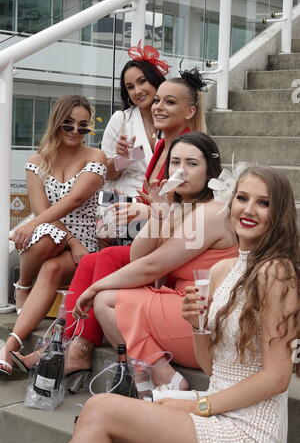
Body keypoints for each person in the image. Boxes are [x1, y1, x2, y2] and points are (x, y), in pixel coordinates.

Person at [66, 165, 300, 443]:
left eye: (263, 203)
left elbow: (277, 378)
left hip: (249, 427)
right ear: (230, 203)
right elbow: (210, 367)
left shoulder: (276, 273)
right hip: (215, 405)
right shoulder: (222, 270)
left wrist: (199, 405)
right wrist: (196, 326)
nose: (249, 209)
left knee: (100, 410)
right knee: (98, 421)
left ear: (280, 214)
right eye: (242, 198)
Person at [11, 70, 210, 380]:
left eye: (168, 101)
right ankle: (65, 342)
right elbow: (124, 177)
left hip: (180, 254)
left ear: (190, 111)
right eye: (157, 100)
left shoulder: (189, 151)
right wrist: (139, 208)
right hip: (155, 240)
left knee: (100, 258)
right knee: (93, 259)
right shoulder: (160, 147)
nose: (157, 106)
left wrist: (146, 213)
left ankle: (80, 347)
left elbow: (196, 215)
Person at [65, 132, 237, 390]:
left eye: (192, 164)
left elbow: (153, 266)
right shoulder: (182, 207)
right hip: (187, 310)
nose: (181, 171)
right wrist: (158, 215)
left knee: (105, 301)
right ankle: (163, 376)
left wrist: (95, 287)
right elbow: (138, 256)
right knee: (110, 294)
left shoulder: (212, 212)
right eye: (176, 162)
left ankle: (161, 376)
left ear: (209, 171)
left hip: (204, 319)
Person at [0, 94, 107, 376]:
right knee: (47, 235)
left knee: (49, 267)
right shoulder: (37, 161)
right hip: (53, 234)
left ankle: (8, 347)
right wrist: (64, 238)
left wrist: (70, 241)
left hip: (84, 241)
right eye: (68, 124)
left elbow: (73, 200)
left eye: (83, 126)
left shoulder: (95, 157)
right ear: (57, 123)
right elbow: (40, 209)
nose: (75, 131)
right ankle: (22, 287)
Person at [102, 41, 169, 197]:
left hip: (162, 201)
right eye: (130, 87)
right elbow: (106, 174)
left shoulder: (173, 117)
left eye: (142, 81)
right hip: (122, 199)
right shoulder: (121, 119)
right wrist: (123, 158)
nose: (137, 91)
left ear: (155, 80)